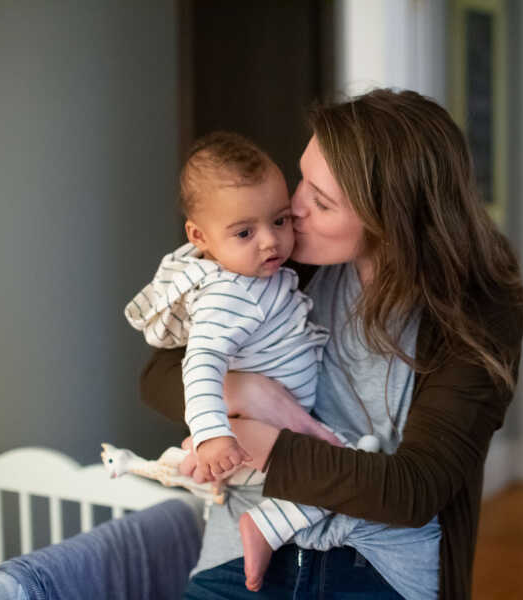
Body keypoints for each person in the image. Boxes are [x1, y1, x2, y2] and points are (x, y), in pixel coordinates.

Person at [140, 88, 523, 599]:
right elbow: (158, 375)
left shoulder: (477, 311)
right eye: (303, 180)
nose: (292, 208)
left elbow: (413, 488)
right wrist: (243, 392)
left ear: (391, 221)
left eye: (322, 201)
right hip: (241, 551)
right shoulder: (279, 255)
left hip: (380, 563)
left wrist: (267, 445)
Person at [127, 131, 441, 598]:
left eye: (284, 216)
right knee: (359, 454)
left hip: (312, 479)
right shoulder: (229, 292)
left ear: (384, 216)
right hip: (247, 445)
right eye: (245, 232)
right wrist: (225, 423)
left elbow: (414, 488)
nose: (277, 235)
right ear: (200, 237)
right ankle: (267, 525)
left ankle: (267, 524)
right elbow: (189, 365)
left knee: (355, 463)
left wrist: (266, 433)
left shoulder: (275, 267)